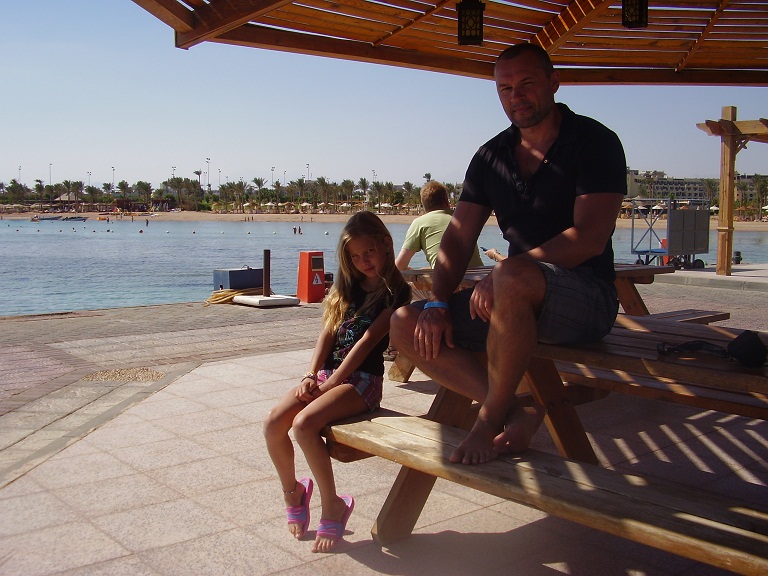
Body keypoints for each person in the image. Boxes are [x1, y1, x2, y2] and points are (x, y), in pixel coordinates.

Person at [390, 43, 627, 466]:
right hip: (513, 299)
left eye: (527, 83)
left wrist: (510, 270)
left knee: (513, 278)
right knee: (405, 323)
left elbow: (590, 238)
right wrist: (439, 302)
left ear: (553, 83)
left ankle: (486, 421)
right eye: (505, 88)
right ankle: (513, 407)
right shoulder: (491, 157)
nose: (516, 96)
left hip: (587, 299)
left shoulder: (594, 142)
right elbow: (459, 237)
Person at [263, 211, 411, 553]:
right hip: (329, 376)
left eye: (368, 252)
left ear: (386, 245)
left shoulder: (396, 293)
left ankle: (333, 505)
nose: (363, 261)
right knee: (273, 423)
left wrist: (329, 386)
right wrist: (310, 375)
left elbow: (367, 343)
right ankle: (293, 491)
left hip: (362, 381)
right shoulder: (346, 287)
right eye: (355, 256)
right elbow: (327, 334)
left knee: (304, 425)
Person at [395, 180, 484, 270]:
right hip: (480, 275)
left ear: (424, 204)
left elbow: (399, 265)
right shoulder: (462, 218)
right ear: (446, 201)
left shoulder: (420, 223)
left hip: (449, 277)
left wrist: (410, 271)